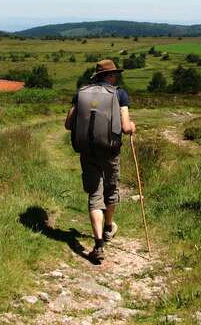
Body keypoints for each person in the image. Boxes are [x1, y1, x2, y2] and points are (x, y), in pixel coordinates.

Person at [65, 59, 136, 264]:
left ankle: (98, 245)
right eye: (115, 75)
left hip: (87, 151)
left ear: (97, 76)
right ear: (111, 76)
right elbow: (124, 126)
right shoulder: (119, 94)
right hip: (110, 150)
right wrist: (132, 126)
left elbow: (69, 124)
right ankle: (108, 228)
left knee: (94, 194)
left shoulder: (81, 93)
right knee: (111, 189)